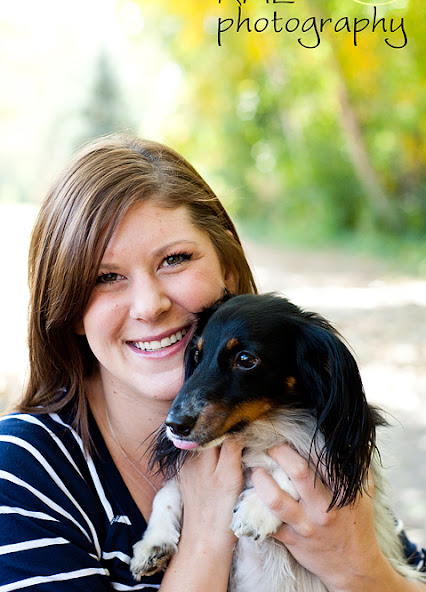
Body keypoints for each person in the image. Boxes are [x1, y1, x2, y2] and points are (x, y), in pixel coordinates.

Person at [0, 134, 424, 591]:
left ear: (229, 271)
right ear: (70, 310)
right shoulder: (22, 473)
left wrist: (358, 568)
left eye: (174, 259)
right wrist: (205, 532)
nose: (149, 306)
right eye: (106, 277)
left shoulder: (313, 437)